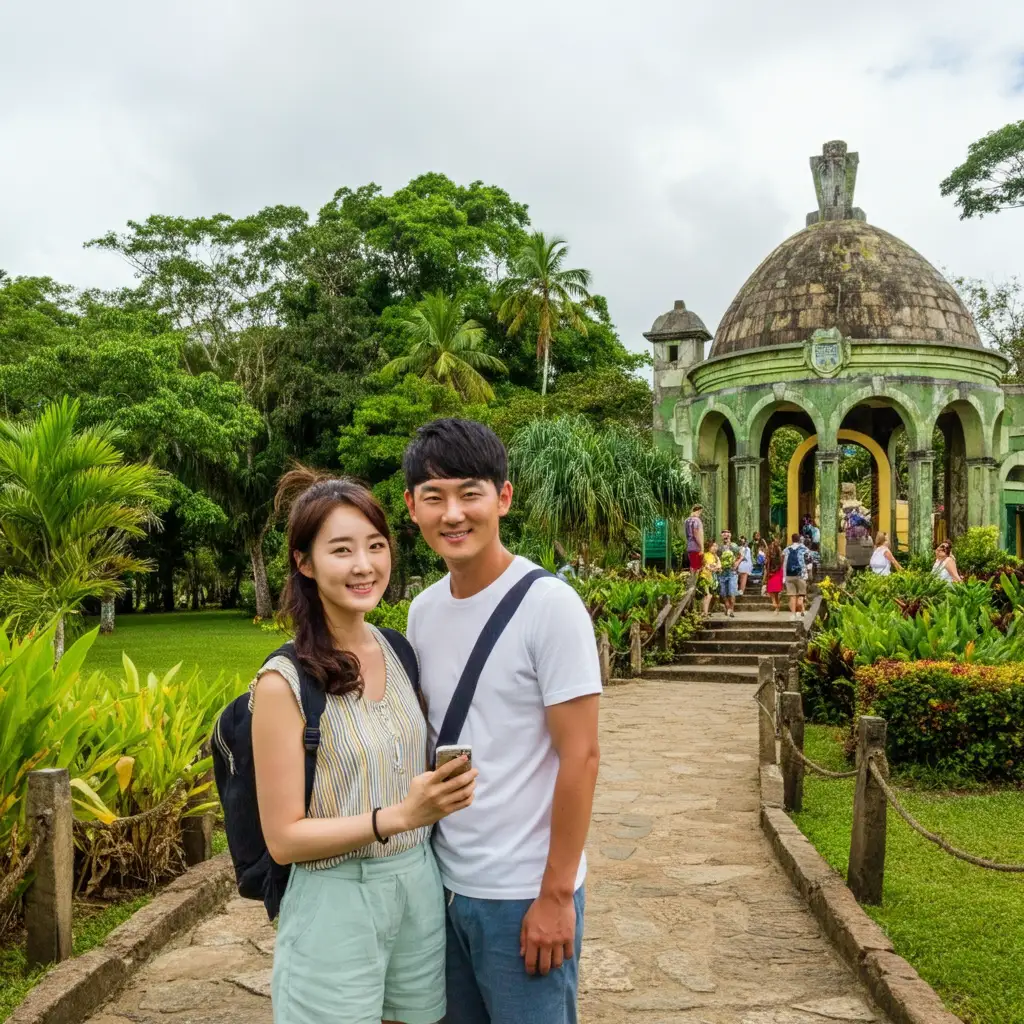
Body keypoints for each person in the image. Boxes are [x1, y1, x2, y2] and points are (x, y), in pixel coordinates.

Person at [250, 468, 478, 1024]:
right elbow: (283, 839)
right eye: (341, 550)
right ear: (305, 563)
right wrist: (399, 816)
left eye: (376, 546)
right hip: (334, 897)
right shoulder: (284, 683)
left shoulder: (400, 651)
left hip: (417, 884)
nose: (363, 565)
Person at [402, 419, 602, 1024]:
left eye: (470, 493)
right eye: (433, 497)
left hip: (522, 894)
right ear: (411, 507)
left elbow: (582, 756)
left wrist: (556, 895)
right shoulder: (422, 611)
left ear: (503, 498)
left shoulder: (550, 606)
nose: (453, 514)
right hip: (445, 884)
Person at [782, 532, 810, 620]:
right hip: (800, 575)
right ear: (799, 539)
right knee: (801, 594)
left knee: (792, 596)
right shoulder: (804, 549)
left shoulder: (786, 549)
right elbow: (808, 561)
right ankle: (800, 604)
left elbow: (783, 562)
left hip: (789, 575)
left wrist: (784, 576)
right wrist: (807, 572)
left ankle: (793, 614)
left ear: (792, 539)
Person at [718, 529, 740, 618]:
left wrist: (737, 563)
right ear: (721, 536)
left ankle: (731, 610)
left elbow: (741, 556)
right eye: (724, 534)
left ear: (730, 536)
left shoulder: (734, 546)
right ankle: (727, 606)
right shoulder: (719, 547)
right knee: (723, 592)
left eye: (727, 534)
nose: (726, 536)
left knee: (732, 591)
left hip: (732, 572)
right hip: (722, 572)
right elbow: (716, 557)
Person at [700, 540, 721, 617]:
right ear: (709, 547)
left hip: (711, 578)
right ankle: (704, 612)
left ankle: (705, 612)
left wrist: (714, 567)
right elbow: (708, 566)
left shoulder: (715, 557)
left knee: (710, 595)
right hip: (704, 577)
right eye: (713, 546)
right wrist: (714, 567)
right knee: (707, 595)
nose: (715, 548)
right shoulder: (706, 555)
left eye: (716, 546)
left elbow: (719, 567)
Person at [765, 540, 784, 614]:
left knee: (776, 591)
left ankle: (776, 606)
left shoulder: (779, 552)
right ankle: (775, 605)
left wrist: (773, 571)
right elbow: (767, 564)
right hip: (772, 572)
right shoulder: (769, 554)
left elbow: (780, 563)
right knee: (772, 590)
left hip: (777, 572)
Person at [684, 504, 705, 572]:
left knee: (693, 566)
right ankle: (692, 582)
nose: (700, 514)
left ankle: (692, 581)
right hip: (696, 547)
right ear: (698, 511)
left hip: (690, 546)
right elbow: (696, 533)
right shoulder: (697, 520)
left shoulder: (686, 521)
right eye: (700, 512)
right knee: (696, 568)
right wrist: (701, 547)